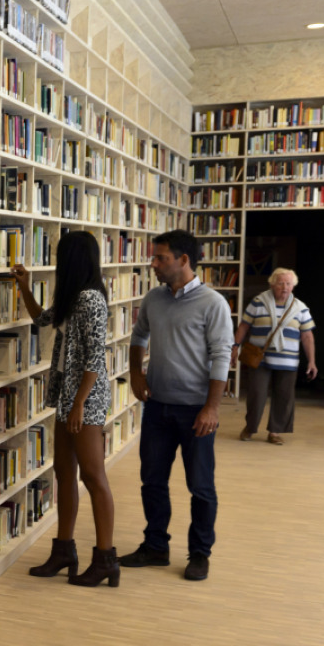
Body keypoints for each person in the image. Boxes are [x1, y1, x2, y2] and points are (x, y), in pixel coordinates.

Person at [121, 229, 234, 581]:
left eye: (161, 258)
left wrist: (212, 408)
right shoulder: (154, 298)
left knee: (200, 485)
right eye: (155, 257)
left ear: (184, 261)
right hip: (157, 407)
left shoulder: (213, 304)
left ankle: (200, 553)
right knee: (152, 481)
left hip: (196, 410)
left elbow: (222, 357)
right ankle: (155, 546)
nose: (153, 264)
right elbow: (138, 335)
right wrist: (136, 374)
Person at [14, 231, 118, 587]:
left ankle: (106, 558)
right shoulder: (74, 297)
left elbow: (93, 358)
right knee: (63, 471)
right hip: (69, 398)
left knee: (92, 475)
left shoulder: (91, 300)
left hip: (84, 400)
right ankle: (64, 549)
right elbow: (42, 320)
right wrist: (25, 287)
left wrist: (77, 405)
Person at [234, 268, 317, 444]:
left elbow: (307, 336)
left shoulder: (301, 308)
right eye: (280, 283)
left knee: (284, 397)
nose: (284, 287)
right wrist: (235, 347)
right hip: (260, 359)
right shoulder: (258, 302)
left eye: (288, 283)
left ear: (293, 286)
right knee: (256, 395)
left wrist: (312, 361)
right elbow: (243, 326)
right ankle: (250, 427)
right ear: (272, 284)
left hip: (288, 361)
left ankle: (275, 432)